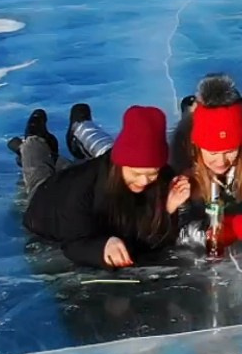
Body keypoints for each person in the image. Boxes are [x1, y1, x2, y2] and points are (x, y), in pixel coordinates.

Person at [14, 104, 189, 268]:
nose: (144, 181)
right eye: (136, 174)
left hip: (80, 178)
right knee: (39, 174)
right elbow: (74, 243)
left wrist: (168, 209)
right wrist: (101, 247)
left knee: (69, 169)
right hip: (47, 205)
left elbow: (150, 239)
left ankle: (52, 152)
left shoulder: (163, 178)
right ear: (119, 164)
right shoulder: (82, 188)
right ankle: (34, 140)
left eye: (152, 174)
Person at [173, 74, 242, 253]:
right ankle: (190, 109)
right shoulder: (181, 165)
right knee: (193, 119)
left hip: (236, 212)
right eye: (212, 153)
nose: (221, 161)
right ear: (198, 148)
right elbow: (178, 225)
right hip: (204, 224)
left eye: (230, 151)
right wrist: (206, 236)